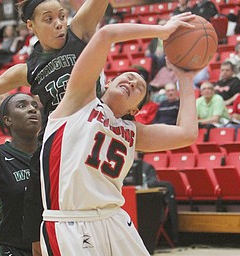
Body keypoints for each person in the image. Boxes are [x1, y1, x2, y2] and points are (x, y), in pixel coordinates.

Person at [39, 13, 198, 255]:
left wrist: (185, 78)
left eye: (140, 87)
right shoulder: (79, 100)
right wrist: (161, 30)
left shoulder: (133, 133)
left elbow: (186, 134)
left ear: (135, 109)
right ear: (110, 81)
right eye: (128, 77)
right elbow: (106, 34)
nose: (133, 82)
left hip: (114, 219)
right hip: (70, 221)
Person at [0, 0, 109, 253]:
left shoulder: (78, 32)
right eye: (48, 19)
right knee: (40, 215)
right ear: (31, 26)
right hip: (57, 148)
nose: (59, 23)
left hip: (94, 138)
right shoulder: (27, 69)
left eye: (62, 16)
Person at [0, 93, 42, 256]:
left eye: (34, 105)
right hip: (7, 249)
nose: (32, 109)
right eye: (22, 106)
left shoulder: (51, 152)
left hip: (46, 248)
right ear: (7, 120)